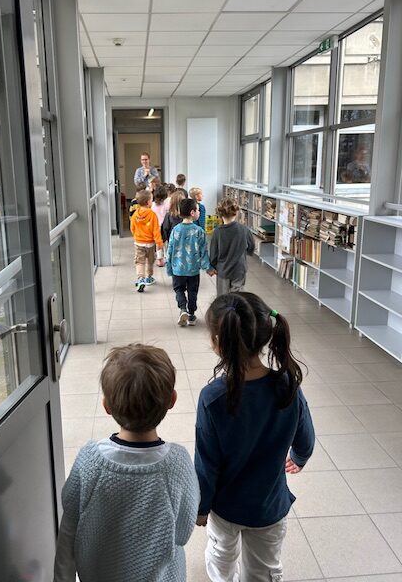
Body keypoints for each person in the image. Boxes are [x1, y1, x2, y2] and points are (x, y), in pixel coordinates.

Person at [53, 343, 199, 582]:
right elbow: (183, 531)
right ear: (172, 400)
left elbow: (69, 528)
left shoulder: (90, 460)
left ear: (106, 406)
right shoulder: (177, 464)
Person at [195, 292, 315, 582]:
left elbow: (206, 464)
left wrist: (201, 508)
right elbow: (306, 439)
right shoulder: (288, 386)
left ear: (217, 342)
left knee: (221, 554)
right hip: (268, 505)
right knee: (264, 567)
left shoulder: (213, 398)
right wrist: (298, 457)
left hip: (226, 506)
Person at [166, 198, 214, 327]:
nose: (199, 212)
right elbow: (203, 252)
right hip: (193, 270)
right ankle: (191, 315)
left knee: (179, 290)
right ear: (192, 213)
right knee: (192, 291)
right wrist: (208, 268)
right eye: (198, 210)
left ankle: (183, 309)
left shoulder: (176, 230)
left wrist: (169, 268)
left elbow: (170, 250)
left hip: (178, 269)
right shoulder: (199, 231)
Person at [210, 196, 255, 296]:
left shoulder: (217, 232)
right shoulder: (244, 229)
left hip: (223, 270)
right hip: (239, 269)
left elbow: (213, 254)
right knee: (238, 297)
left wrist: (213, 266)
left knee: (223, 297)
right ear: (236, 212)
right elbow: (251, 247)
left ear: (219, 214)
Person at [130, 189, 163, 292]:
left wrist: (136, 236)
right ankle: (149, 277)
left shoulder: (135, 214)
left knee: (139, 262)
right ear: (148, 202)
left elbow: (132, 228)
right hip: (150, 243)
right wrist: (159, 243)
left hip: (138, 243)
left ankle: (140, 279)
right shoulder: (152, 214)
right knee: (150, 261)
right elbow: (156, 230)